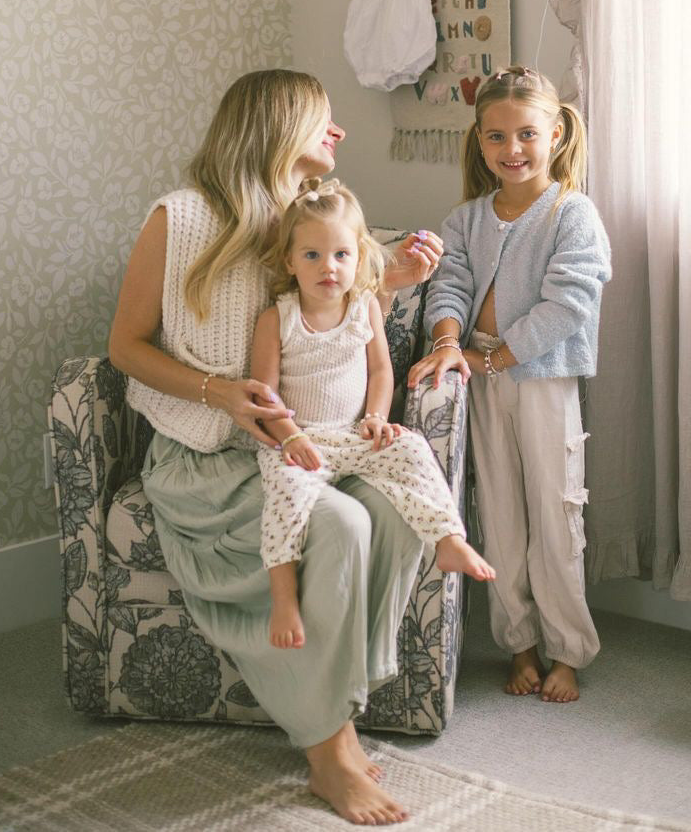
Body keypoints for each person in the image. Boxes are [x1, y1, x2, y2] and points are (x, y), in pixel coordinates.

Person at [108, 68, 444, 826]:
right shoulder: (179, 217)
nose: (339, 131)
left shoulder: (309, 217)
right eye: (324, 118)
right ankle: (329, 754)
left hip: (302, 448)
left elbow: (335, 326)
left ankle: (341, 706)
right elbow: (125, 345)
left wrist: (393, 277)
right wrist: (218, 391)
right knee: (341, 524)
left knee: (396, 511)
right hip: (206, 459)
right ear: (281, 124)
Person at [408, 65, 611, 705]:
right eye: (496, 136)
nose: (512, 149)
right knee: (497, 512)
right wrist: (449, 344)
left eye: (526, 134)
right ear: (479, 140)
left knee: (556, 513)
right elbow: (448, 286)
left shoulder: (572, 214)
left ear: (555, 134)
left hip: (541, 376)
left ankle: (567, 650)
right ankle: (518, 643)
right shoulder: (466, 219)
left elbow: (567, 306)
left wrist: (491, 358)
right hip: (477, 373)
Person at [251, 177, 495, 650]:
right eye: (312, 255)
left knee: (412, 448)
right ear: (289, 261)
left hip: (352, 434)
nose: (328, 267)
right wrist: (290, 436)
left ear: (359, 259)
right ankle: (284, 598)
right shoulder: (277, 318)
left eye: (341, 255)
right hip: (300, 440)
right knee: (285, 493)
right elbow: (265, 396)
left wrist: (377, 418)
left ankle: (448, 539)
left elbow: (381, 371)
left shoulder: (364, 308)